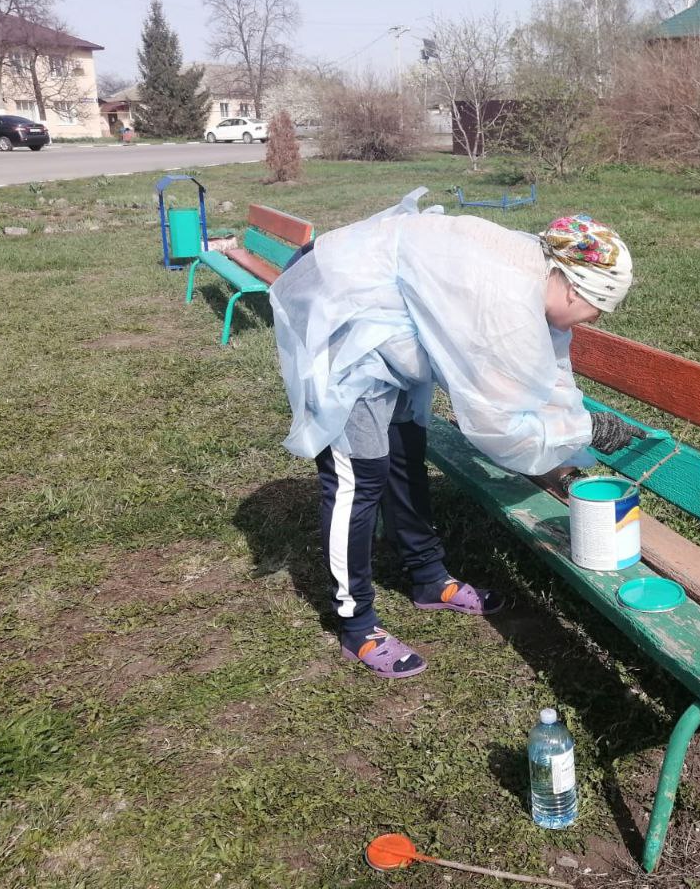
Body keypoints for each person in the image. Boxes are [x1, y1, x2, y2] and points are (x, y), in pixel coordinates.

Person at [270, 189, 644, 679]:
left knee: (405, 452)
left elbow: (548, 374)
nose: (596, 321)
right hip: (341, 308)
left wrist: (575, 449)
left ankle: (427, 577)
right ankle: (356, 623)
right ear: (574, 289)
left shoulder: (541, 277)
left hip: (396, 324)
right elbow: (495, 425)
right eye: (599, 309)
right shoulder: (505, 297)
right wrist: (587, 428)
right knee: (358, 477)